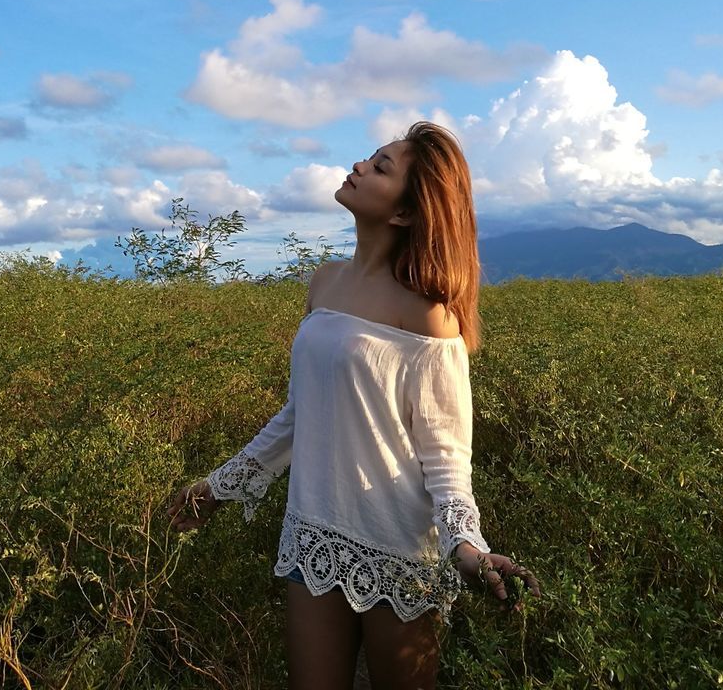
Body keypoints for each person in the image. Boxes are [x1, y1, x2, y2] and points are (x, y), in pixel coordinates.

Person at [167, 121, 541, 689]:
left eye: (382, 166)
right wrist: (218, 486)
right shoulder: (323, 282)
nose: (361, 166)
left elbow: (444, 455)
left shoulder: (429, 314)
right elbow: (298, 416)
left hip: (397, 546)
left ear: (405, 214)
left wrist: (467, 545)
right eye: (371, 157)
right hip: (311, 530)